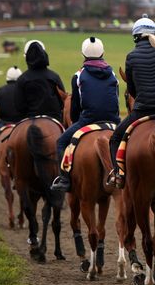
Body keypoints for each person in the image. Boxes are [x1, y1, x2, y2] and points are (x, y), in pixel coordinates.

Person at [108, 14, 155, 188]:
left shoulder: (131, 57)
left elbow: (132, 90)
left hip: (141, 111)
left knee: (115, 138)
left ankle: (118, 174)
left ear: (135, 37)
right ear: (154, 34)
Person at [51, 37, 120, 192]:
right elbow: (115, 99)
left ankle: (64, 179)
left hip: (88, 120)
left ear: (83, 54)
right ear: (102, 52)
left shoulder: (78, 75)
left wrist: (77, 121)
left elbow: (75, 105)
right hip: (113, 120)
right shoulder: (113, 74)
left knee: (61, 143)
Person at [14, 40, 65, 122]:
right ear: (44, 55)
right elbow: (63, 101)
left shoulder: (22, 79)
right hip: (54, 119)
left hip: (29, 119)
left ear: (27, 57)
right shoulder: (54, 76)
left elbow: (19, 106)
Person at [0, 66, 23, 174]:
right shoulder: (23, 91)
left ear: (7, 78)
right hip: (21, 124)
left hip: (3, 123)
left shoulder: (1, 90)